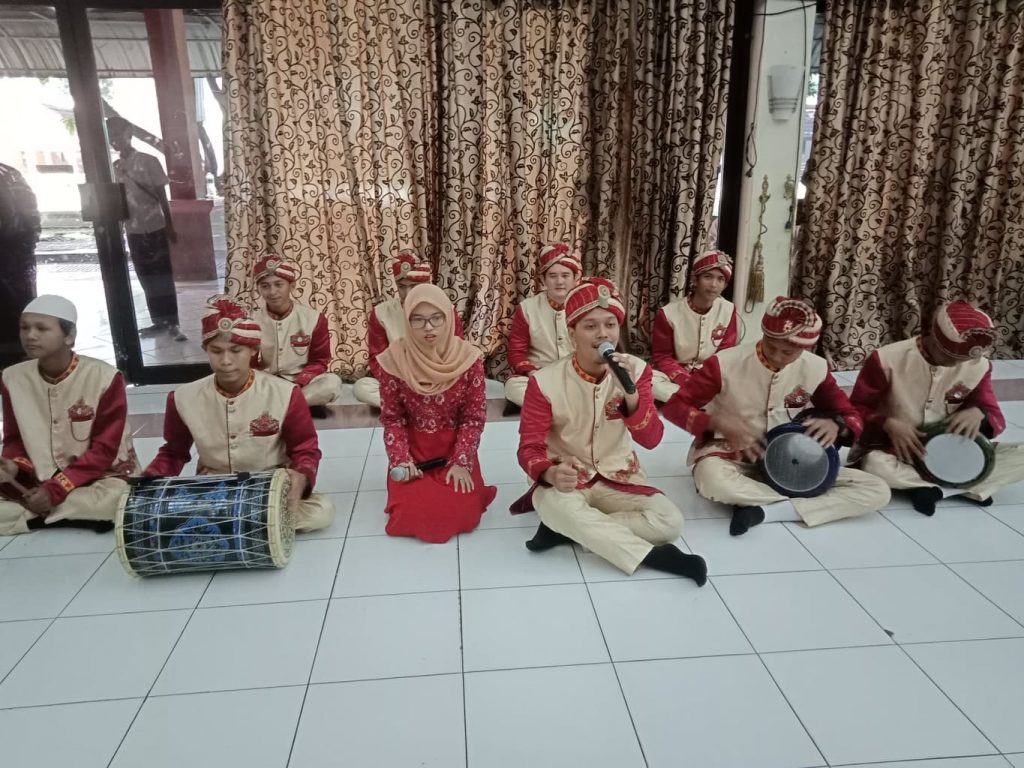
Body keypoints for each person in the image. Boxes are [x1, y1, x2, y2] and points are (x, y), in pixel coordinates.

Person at [515, 277, 708, 584]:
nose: (603, 334)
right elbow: (529, 448)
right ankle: (655, 557)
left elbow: (652, 439)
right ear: (572, 333)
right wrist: (549, 473)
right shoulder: (544, 381)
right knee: (555, 505)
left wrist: (631, 395)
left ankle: (567, 529)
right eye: (590, 326)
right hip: (567, 481)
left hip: (618, 475)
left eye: (610, 324)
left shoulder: (638, 371)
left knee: (670, 521)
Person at [663, 296, 890, 536]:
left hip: (791, 459)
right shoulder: (724, 363)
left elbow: (849, 414)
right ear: (763, 334)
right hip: (733, 457)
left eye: (788, 352)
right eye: (771, 347)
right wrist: (716, 422)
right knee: (711, 479)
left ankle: (765, 510)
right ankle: (801, 500)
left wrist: (837, 424)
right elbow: (675, 407)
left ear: (805, 348)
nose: (777, 357)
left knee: (876, 489)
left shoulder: (816, 368)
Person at [144, 295, 334, 532]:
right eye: (216, 351)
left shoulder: (285, 393)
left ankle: (230, 524)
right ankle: (254, 524)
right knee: (159, 512)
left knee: (321, 511)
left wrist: (301, 476)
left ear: (253, 350)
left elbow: (305, 448)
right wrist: (150, 478)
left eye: (236, 350)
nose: (226, 361)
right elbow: (173, 452)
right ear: (205, 350)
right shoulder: (182, 397)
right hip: (213, 490)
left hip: (268, 490)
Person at [850, 300, 1024, 515]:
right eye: (950, 356)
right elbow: (856, 408)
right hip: (899, 451)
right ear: (933, 338)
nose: (955, 364)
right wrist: (888, 423)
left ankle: (931, 490)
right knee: (875, 465)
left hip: (951, 452)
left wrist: (979, 412)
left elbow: (994, 414)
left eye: (962, 360)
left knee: (1021, 455)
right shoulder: (887, 359)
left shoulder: (979, 366)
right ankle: (962, 485)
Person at [0, 295, 139, 535]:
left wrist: (56, 490)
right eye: (24, 328)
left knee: (115, 498)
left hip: (97, 475)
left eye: (41, 328)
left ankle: (35, 516)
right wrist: (13, 465)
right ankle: (64, 514)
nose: (30, 335)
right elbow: (14, 439)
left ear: (69, 336)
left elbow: (104, 450)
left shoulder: (105, 377)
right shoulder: (12, 378)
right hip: (37, 477)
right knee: (104, 507)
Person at [379, 284, 496, 542]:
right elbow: (392, 418)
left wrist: (461, 461)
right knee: (410, 515)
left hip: (454, 450)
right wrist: (401, 460)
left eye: (436, 318)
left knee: (462, 513)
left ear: (449, 318)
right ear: (407, 322)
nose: (428, 327)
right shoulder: (394, 360)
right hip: (414, 455)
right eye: (418, 320)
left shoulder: (468, 359)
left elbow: (473, 417)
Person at [107, 115, 186, 342]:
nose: (115, 139)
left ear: (128, 134)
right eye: (111, 135)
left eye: (118, 134)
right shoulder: (114, 167)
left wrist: (170, 225)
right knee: (145, 277)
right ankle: (158, 321)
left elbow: (161, 196)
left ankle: (173, 322)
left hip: (155, 226)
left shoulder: (149, 161)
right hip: (132, 230)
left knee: (163, 276)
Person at [352, 250, 463, 408]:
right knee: (362, 387)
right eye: (402, 286)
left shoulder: (446, 310)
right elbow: (377, 359)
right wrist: (402, 381)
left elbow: (457, 351)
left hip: (438, 380)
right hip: (400, 381)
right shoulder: (382, 313)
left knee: (470, 384)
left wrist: (435, 378)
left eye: (414, 286)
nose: (408, 292)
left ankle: (407, 407)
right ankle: (417, 406)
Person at [251, 254, 341, 417]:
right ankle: (297, 405)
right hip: (267, 382)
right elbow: (249, 364)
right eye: (265, 286)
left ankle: (280, 407)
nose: (272, 292)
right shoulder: (251, 321)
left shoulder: (313, 318)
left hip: (301, 383)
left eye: (279, 284)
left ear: (291, 286)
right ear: (258, 289)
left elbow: (319, 361)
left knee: (331, 383)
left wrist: (300, 382)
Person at [651, 249, 739, 402]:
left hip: (710, 376)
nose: (714, 285)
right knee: (652, 382)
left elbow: (726, 353)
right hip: (675, 377)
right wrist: (685, 379)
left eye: (720, 279)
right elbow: (663, 357)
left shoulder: (728, 310)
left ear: (725, 285)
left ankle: (693, 399)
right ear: (695, 279)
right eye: (707, 277)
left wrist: (707, 378)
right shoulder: (668, 313)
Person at [503, 242, 581, 409]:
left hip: (577, 376)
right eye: (552, 276)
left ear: (575, 278)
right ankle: (562, 406)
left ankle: (548, 406)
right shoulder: (528, 308)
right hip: (540, 377)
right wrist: (533, 373)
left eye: (565, 275)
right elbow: (516, 352)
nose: (559, 281)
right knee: (513, 387)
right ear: (543, 279)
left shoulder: (585, 307)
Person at [0, 162, 41, 366]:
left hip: (8, 254)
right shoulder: (9, 173)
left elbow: (7, 214)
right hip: (19, 254)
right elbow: (32, 217)